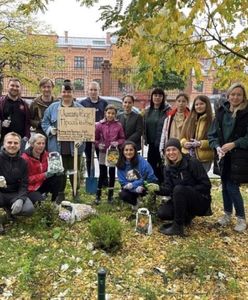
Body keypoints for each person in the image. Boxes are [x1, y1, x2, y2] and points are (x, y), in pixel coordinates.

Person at [208, 82, 248, 232]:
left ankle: (241, 218)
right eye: (233, 94)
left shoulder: (246, 113)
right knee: (225, 185)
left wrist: (234, 144)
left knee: (232, 186)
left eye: (239, 94)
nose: (235, 97)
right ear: (228, 95)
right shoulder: (221, 112)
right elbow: (211, 134)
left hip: (239, 157)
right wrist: (217, 146)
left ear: (243, 97)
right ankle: (227, 214)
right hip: (222, 156)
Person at [157, 138, 212, 236]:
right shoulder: (167, 168)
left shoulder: (192, 162)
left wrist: (187, 190)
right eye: (168, 150)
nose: (171, 153)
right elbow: (168, 189)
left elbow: (206, 185)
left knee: (179, 189)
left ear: (179, 150)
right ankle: (186, 217)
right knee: (163, 212)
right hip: (181, 200)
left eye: (174, 149)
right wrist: (156, 189)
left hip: (200, 200)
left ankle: (178, 227)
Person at [41, 80, 84, 203]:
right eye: (64, 91)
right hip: (57, 146)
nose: (66, 94)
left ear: (73, 93)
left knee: (75, 171)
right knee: (60, 172)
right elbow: (45, 122)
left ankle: (76, 193)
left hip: (74, 147)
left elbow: (86, 127)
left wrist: (80, 139)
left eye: (69, 91)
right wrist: (50, 129)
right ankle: (60, 194)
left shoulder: (80, 109)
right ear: (61, 93)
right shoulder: (53, 108)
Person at [0, 132, 34, 233]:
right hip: (0, 193)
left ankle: (10, 211)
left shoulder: (23, 162)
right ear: (4, 144)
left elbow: (24, 184)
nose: (12, 145)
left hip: (14, 193)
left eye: (16, 143)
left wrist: (20, 199)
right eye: (9, 142)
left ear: (20, 145)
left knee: (28, 209)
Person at [95, 104, 125, 204]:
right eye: (109, 113)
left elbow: (122, 138)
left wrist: (118, 142)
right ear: (105, 113)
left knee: (112, 173)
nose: (110, 115)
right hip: (103, 152)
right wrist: (98, 144)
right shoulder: (99, 125)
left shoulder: (118, 125)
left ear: (115, 114)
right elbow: (94, 139)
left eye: (113, 113)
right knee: (102, 173)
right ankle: (98, 196)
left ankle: (110, 196)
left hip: (113, 152)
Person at [21, 133, 62, 204]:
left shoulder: (46, 155)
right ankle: (36, 198)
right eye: (38, 143)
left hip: (42, 183)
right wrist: (44, 175)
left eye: (43, 143)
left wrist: (58, 169)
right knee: (41, 204)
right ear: (32, 144)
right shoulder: (25, 158)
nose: (41, 146)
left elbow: (51, 170)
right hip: (30, 188)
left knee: (57, 177)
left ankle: (54, 202)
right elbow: (25, 180)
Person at [117, 141, 157, 209]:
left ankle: (149, 203)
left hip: (145, 184)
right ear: (123, 151)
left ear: (135, 151)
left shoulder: (141, 162)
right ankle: (135, 202)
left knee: (148, 192)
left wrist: (137, 185)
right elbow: (122, 182)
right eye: (126, 150)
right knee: (122, 194)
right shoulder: (120, 164)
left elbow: (146, 177)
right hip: (132, 188)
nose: (128, 152)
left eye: (131, 150)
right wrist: (134, 189)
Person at [80, 81, 108, 178]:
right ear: (88, 91)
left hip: (101, 137)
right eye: (91, 90)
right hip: (87, 136)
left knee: (102, 158)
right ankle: (90, 177)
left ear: (99, 90)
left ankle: (103, 180)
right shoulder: (82, 103)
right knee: (88, 158)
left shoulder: (104, 103)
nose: (93, 92)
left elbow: (108, 118)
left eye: (95, 90)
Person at [144, 87, 171, 183]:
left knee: (162, 166)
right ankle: (152, 186)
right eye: (155, 95)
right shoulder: (147, 111)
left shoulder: (167, 110)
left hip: (162, 144)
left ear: (163, 97)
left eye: (160, 95)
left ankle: (163, 185)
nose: (157, 97)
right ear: (151, 97)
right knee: (151, 165)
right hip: (151, 143)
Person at [181, 95, 214, 172]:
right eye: (196, 104)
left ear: (207, 105)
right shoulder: (189, 119)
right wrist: (184, 143)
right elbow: (182, 138)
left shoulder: (212, 120)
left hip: (204, 158)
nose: (199, 106)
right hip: (188, 157)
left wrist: (200, 143)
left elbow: (215, 141)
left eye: (202, 104)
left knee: (201, 181)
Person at [0, 78, 30, 150]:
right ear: (7, 87)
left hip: (20, 141)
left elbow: (28, 122)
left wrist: (27, 136)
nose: (15, 88)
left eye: (17, 86)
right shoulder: (1, 103)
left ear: (20, 88)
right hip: (3, 141)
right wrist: (1, 123)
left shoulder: (24, 104)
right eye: (12, 85)